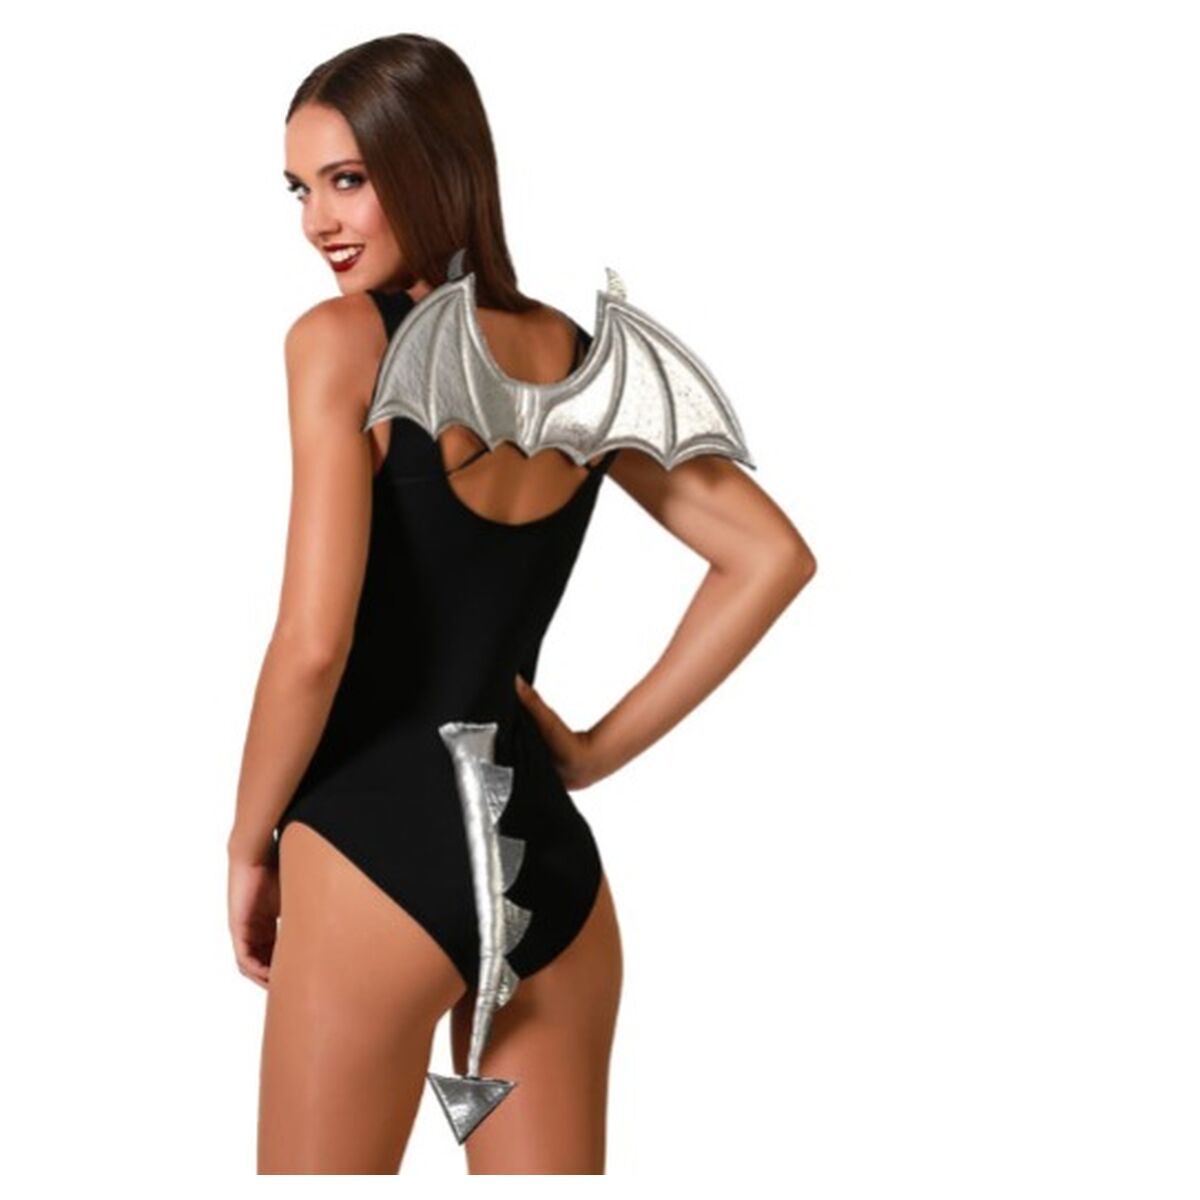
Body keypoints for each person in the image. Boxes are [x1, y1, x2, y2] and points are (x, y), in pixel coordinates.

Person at [226, 32, 816, 1175]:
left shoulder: (339, 343)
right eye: (300, 190)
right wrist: (587, 755)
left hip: (369, 853)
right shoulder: (577, 359)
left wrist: (251, 845)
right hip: (546, 867)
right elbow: (767, 557)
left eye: (347, 179)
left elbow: (313, 645)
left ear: (433, 165)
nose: (318, 223)